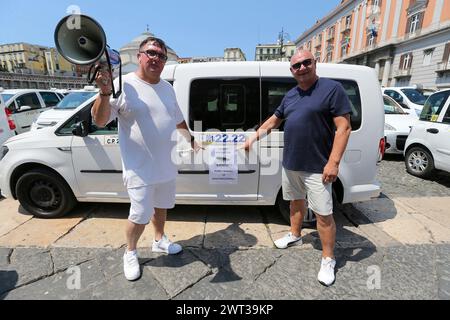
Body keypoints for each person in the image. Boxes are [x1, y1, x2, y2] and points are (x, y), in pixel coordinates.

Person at [92, 37, 200, 281]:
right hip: (139, 170)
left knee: (161, 207)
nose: (156, 58)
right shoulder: (123, 84)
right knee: (139, 214)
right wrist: (104, 91)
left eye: (161, 56)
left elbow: (177, 118)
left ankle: (159, 240)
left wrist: (191, 140)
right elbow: (99, 120)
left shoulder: (167, 88)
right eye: (151, 53)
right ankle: (130, 252)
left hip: (166, 165)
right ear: (140, 55)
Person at [243, 50, 352, 286]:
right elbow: (274, 120)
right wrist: (253, 138)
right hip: (291, 163)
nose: (301, 68)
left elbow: (344, 128)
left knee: (324, 215)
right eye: (296, 66)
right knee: (295, 202)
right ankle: (294, 234)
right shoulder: (291, 94)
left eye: (306, 63)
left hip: (318, 166)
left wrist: (333, 162)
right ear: (291, 71)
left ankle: (328, 258)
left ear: (315, 63)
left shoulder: (332, 89)